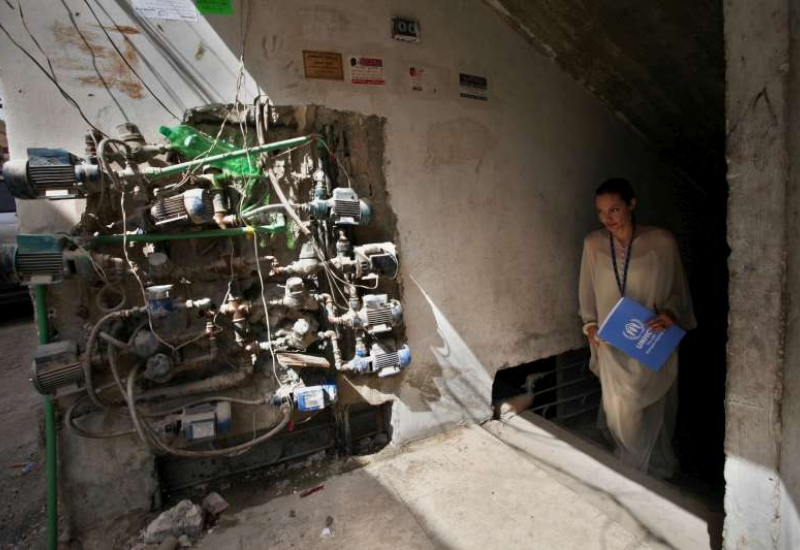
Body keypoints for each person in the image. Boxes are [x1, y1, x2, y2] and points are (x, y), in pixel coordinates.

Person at [578, 178, 696, 476]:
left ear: (632, 205)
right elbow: (587, 288)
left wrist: (670, 313)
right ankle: (631, 461)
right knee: (620, 407)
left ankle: (652, 463)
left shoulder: (661, 242)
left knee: (655, 403)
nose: (608, 219)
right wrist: (589, 324)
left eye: (615, 209)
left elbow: (678, 290)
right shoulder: (593, 243)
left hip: (650, 337)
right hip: (612, 341)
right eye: (601, 212)